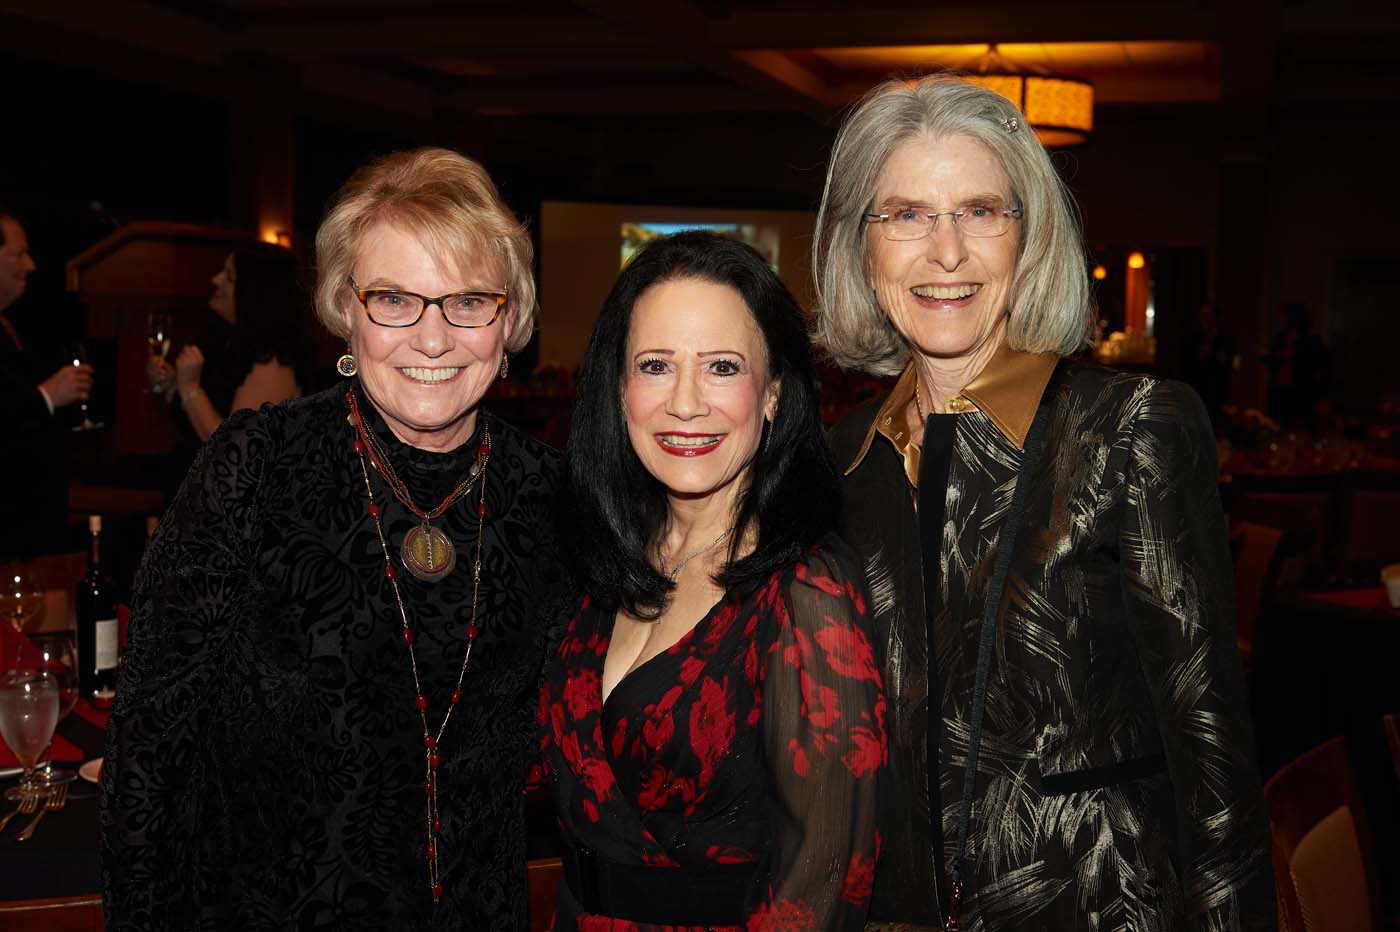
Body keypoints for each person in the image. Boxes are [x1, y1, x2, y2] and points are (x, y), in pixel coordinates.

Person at [812, 77, 1274, 930]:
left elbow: (1213, 763)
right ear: (860, 247)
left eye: (980, 211)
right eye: (907, 214)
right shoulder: (838, 461)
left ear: (1028, 239)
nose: (946, 251)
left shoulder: (1130, 429)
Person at [102, 148, 568, 929]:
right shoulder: (256, 466)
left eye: (468, 301)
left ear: (511, 319)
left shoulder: (552, 496)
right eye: (395, 299)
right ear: (344, 310)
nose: (432, 339)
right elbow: (147, 753)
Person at [539, 231, 886, 931]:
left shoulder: (807, 594)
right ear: (619, 388)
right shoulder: (598, 558)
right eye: (656, 366)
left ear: (773, 393)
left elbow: (822, 884)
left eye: (722, 367)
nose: (686, 403)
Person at [0, 205, 93, 559]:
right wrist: (47, 396)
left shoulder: (11, 324)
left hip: (29, 526)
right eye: (19, 254)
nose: (31, 265)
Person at [148, 242, 306, 443]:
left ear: (253, 293)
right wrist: (175, 384)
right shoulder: (223, 336)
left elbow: (235, 448)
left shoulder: (272, 363)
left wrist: (189, 386)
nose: (215, 279)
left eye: (229, 277)